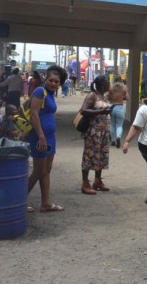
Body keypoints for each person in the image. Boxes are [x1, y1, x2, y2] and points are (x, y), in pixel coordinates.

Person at [26, 65, 68, 213]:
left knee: (46, 170)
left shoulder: (50, 94)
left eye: (56, 82)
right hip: (40, 137)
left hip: (50, 137)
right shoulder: (40, 91)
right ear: (46, 79)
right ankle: (18, 201)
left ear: (60, 84)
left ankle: (46, 203)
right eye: (51, 80)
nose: (53, 83)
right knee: (38, 171)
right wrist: (41, 137)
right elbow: (34, 114)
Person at [78, 75, 113, 195]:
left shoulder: (103, 96)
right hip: (93, 132)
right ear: (102, 84)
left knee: (101, 155)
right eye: (107, 82)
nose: (109, 84)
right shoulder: (92, 95)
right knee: (89, 155)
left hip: (104, 132)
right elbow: (83, 110)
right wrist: (101, 111)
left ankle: (97, 180)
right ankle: (85, 183)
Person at [108, 76, 128, 148]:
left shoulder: (111, 88)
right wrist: (122, 97)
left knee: (112, 124)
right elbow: (127, 97)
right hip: (120, 107)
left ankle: (113, 141)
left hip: (112, 107)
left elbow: (108, 97)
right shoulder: (124, 88)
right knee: (119, 125)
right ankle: (118, 137)